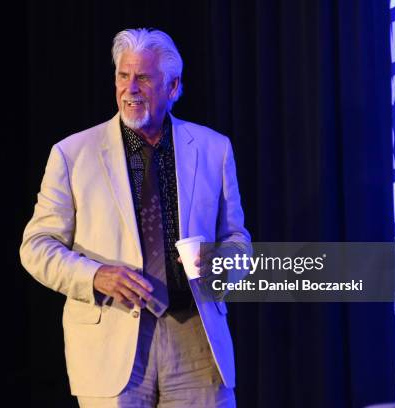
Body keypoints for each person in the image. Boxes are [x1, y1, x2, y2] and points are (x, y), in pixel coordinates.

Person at [20, 28, 251, 408]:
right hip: (111, 342)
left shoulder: (214, 149)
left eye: (143, 77)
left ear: (173, 86)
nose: (131, 89)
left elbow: (238, 239)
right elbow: (36, 247)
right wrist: (94, 276)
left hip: (196, 340)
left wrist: (222, 263)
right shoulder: (72, 154)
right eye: (123, 76)